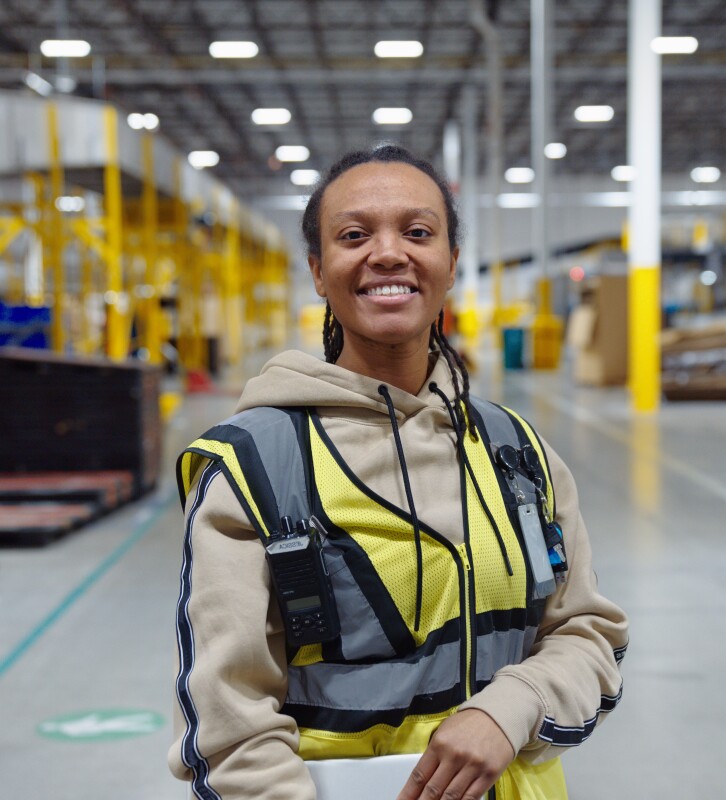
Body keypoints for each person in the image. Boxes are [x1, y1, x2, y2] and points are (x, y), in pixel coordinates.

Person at [169, 145, 628, 800]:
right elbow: (228, 724)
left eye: (418, 232)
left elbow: (589, 635)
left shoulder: (516, 451)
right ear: (318, 272)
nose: (388, 253)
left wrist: (512, 705)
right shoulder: (252, 468)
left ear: (450, 266)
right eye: (354, 236)